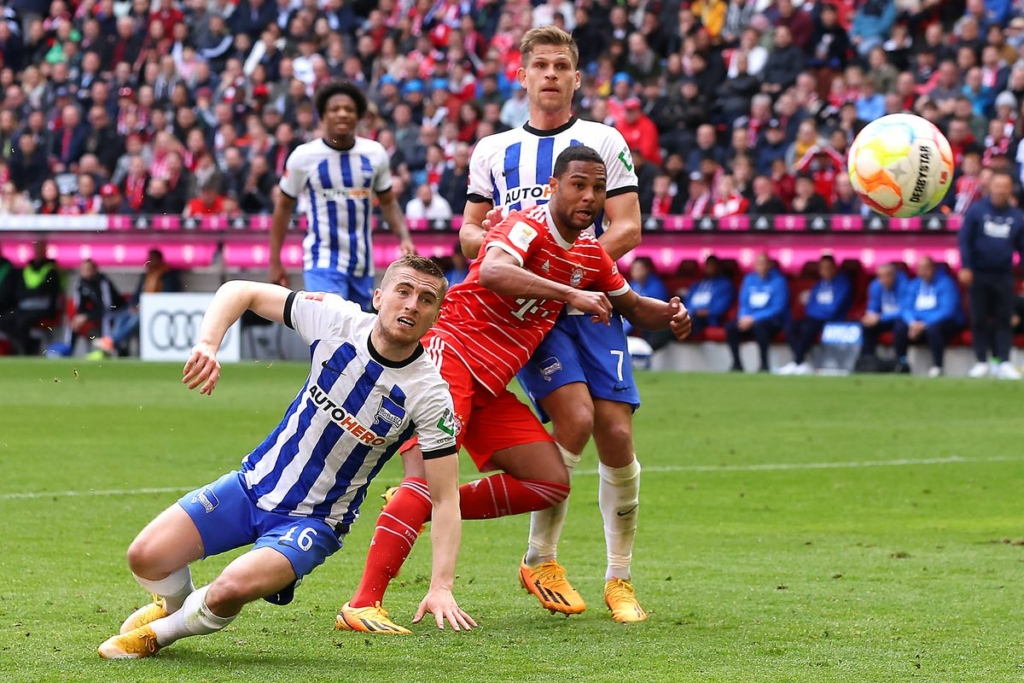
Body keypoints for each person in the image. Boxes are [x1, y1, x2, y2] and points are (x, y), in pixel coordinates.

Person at [338, 146, 691, 634]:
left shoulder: (589, 255)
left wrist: (671, 313)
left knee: (549, 481)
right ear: (553, 187)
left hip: (489, 384)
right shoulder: (525, 225)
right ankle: (363, 603)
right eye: (578, 185)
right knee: (423, 478)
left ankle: (427, 507)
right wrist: (570, 294)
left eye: (598, 189)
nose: (588, 196)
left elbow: (630, 304)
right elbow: (491, 271)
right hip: (451, 358)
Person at [96, 255, 475, 659]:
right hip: (251, 486)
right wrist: (208, 344)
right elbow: (240, 290)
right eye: (403, 291)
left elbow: (445, 498)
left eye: (426, 299)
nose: (412, 304)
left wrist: (442, 586)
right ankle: (177, 607)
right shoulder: (335, 320)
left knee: (229, 589)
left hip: (316, 521)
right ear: (379, 296)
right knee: (145, 558)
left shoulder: (431, 395)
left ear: (435, 316)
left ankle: (161, 635)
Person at [459, 26, 653, 622]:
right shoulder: (493, 148)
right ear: (522, 76)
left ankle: (619, 579)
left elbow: (627, 227)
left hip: (590, 302)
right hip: (531, 315)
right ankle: (541, 557)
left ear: (575, 78)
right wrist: (502, 245)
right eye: (539, 64)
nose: (549, 74)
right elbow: (469, 232)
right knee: (574, 418)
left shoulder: (602, 140)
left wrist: (578, 273)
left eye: (560, 66)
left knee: (616, 435)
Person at [269, 81, 415, 311]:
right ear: (323, 117)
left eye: (349, 109)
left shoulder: (375, 153)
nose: (342, 114)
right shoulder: (304, 156)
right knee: (330, 332)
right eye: (335, 109)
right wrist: (275, 259)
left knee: (357, 340)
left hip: (362, 265)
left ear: (358, 116)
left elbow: (388, 201)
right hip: (322, 261)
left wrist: (404, 237)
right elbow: (283, 208)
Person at [958, 170, 1024, 379]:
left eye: (1005, 186)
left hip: (1004, 275)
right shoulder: (976, 211)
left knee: (1004, 319)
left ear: (1010, 189)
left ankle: (1002, 361)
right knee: (978, 318)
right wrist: (966, 266)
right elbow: (964, 241)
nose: (1001, 190)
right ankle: (981, 361)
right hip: (978, 273)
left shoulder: (1017, 217)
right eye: (998, 185)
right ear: (990, 187)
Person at [777, 255, 852, 375]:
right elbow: (810, 307)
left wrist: (819, 312)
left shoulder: (842, 283)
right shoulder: (818, 285)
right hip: (814, 318)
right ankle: (800, 362)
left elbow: (834, 308)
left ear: (834, 268)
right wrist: (817, 312)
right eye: (822, 268)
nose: (825, 271)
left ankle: (797, 361)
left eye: (828, 267)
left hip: (832, 319)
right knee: (790, 326)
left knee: (808, 328)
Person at [100, 249, 181, 357]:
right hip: (142, 307)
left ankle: (112, 341)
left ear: (159, 260)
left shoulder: (168, 275)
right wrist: (134, 306)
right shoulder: (146, 275)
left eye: (151, 259)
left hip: (158, 311)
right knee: (123, 315)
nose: (149, 261)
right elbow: (137, 295)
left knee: (136, 319)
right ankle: (115, 344)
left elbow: (167, 296)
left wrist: (146, 306)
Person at [894, 255, 964, 377]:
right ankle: (901, 362)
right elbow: (906, 308)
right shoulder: (914, 284)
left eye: (925, 268)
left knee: (934, 329)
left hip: (943, 322)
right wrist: (912, 323)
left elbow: (947, 310)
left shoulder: (946, 283)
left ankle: (937, 366)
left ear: (933, 268)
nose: (922, 272)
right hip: (917, 323)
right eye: (919, 268)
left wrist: (924, 324)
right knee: (899, 325)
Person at [726, 252, 789, 372]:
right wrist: (743, 317)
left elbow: (778, 307)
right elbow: (743, 302)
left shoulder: (779, 281)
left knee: (760, 327)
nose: (761, 266)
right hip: (748, 320)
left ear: (770, 265)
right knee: (731, 327)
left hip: (770, 321)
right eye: (759, 263)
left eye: (764, 263)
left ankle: (764, 365)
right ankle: (737, 364)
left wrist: (754, 318)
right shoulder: (749, 279)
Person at [0, 239, 62, 355]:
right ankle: (23, 343)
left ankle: (27, 350)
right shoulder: (27, 269)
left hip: (43, 309)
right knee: (4, 320)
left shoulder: (51, 270)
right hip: (25, 308)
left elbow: (50, 292)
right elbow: (19, 291)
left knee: (23, 322)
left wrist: (31, 294)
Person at [67, 259, 124, 352]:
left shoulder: (103, 282)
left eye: (88, 268)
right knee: (75, 320)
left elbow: (108, 306)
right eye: (83, 269)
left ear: (95, 270)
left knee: (106, 318)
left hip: (116, 311)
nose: (86, 271)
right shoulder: (81, 284)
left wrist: (87, 316)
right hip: (97, 312)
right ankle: (69, 349)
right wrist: (81, 317)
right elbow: (80, 306)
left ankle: (106, 349)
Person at [860, 263, 907, 359]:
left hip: (899, 318)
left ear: (894, 275)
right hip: (882, 319)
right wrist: (870, 316)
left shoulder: (903, 285)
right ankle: (868, 359)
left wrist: (880, 317)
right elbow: (873, 304)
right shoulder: (875, 286)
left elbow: (904, 310)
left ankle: (900, 359)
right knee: (867, 326)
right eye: (881, 277)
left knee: (900, 327)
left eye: (887, 276)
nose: (884, 280)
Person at [685, 255, 736, 335]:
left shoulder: (725, 284)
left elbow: (720, 307)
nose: (709, 267)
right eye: (707, 265)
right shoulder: (697, 285)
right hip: (691, 315)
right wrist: (690, 312)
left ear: (718, 267)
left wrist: (706, 312)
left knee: (688, 324)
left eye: (712, 265)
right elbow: (687, 303)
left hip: (707, 319)